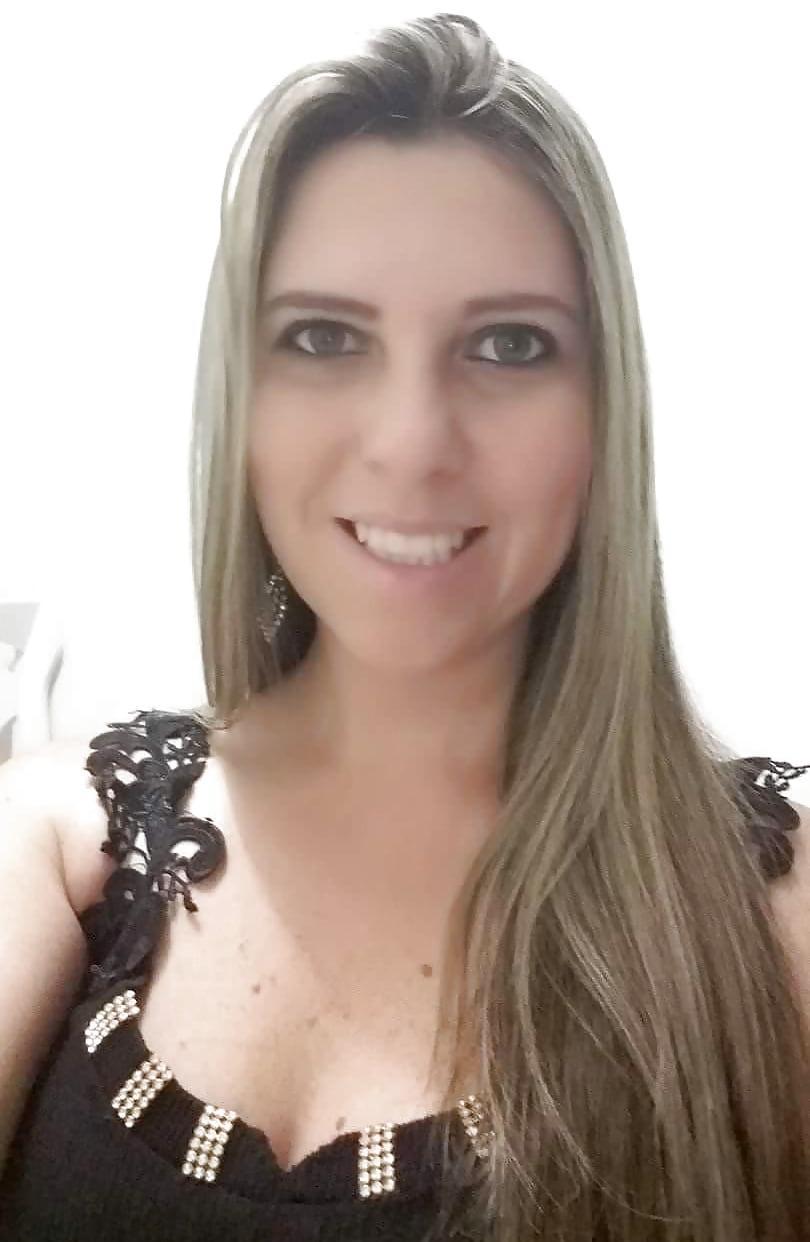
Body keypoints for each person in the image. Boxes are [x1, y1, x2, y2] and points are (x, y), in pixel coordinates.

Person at [1, 12, 809, 1241]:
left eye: (509, 344)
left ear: (606, 414)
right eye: (324, 337)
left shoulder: (771, 907)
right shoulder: (58, 849)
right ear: (243, 401)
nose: (413, 443)